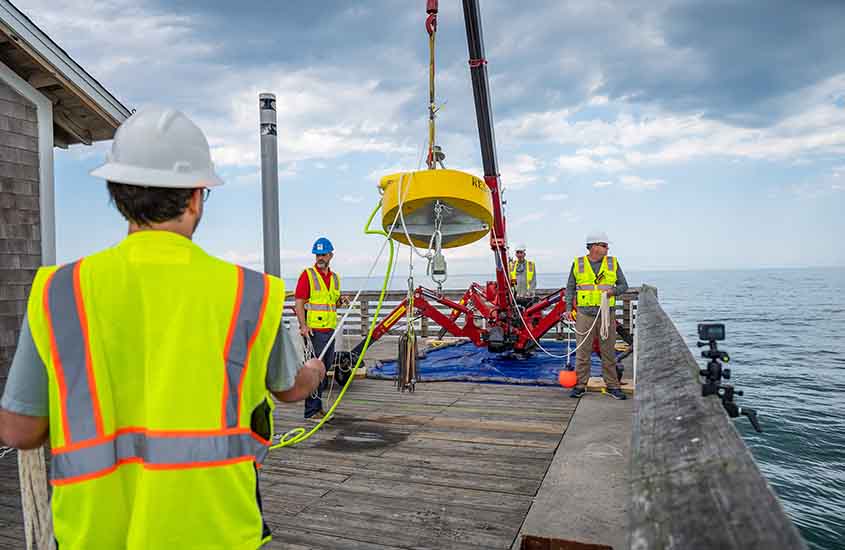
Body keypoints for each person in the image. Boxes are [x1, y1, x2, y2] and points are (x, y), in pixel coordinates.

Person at [0, 107, 325, 550]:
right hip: (218, 533)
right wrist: (316, 374)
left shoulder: (60, 292)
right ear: (196, 197)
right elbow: (289, 388)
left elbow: (18, 431)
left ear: (117, 193)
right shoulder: (250, 294)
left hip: (94, 535)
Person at [564, 231, 629, 400]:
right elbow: (570, 288)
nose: (607, 249)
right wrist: (568, 308)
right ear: (594, 247)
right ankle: (580, 385)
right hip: (584, 315)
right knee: (582, 352)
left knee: (608, 352)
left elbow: (624, 286)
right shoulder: (578, 263)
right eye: (604, 245)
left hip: (606, 313)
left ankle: (612, 386)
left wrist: (612, 292)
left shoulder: (612, 263)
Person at [294, 237, 350, 421]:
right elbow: (300, 302)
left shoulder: (335, 278)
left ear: (330, 255)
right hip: (314, 332)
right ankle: (311, 412)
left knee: (323, 372)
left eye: (323, 254)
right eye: (317, 254)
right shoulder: (307, 275)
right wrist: (303, 326)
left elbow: (332, 303)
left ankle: (317, 409)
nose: (320, 258)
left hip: (330, 330)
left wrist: (341, 301)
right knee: (314, 371)